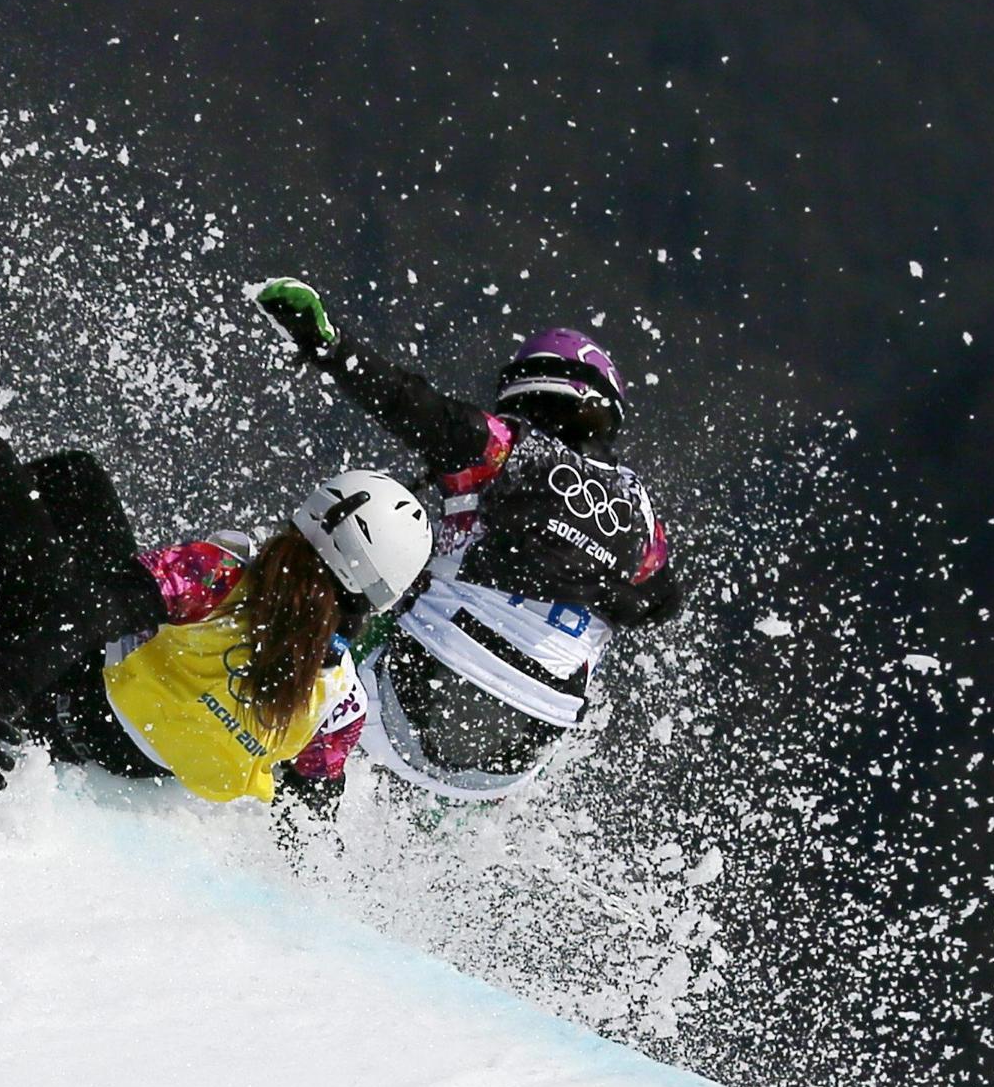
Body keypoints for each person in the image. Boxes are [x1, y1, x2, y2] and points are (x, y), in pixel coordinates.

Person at [0, 427, 432, 804]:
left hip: (50, 688)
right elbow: (310, 803)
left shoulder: (224, 574)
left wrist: (1, 700)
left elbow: (91, 611)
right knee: (73, 482)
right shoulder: (340, 705)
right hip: (111, 742)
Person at [251, 279, 686, 802]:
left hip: (400, 699)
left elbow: (409, 402)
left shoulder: (505, 447)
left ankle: (271, 759)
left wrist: (330, 346)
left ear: (526, 388)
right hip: (514, 762)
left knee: (350, 582)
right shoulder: (642, 516)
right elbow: (661, 603)